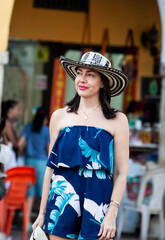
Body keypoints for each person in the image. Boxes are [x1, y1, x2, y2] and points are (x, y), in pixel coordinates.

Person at [32, 52, 130, 240]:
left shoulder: (118, 120)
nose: (82, 79)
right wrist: (42, 212)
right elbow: (50, 169)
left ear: (103, 82)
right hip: (61, 200)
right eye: (79, 73)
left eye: (90, 74)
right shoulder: (59, 116)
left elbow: (121, 173)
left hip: (98, 201)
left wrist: (112, 213)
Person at [18, 106, 50, 230]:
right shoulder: (46, 130)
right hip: (42, 163)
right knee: (44, 193)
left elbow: (20, 143)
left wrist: (22, 152)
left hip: (28, 162)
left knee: (29, 194)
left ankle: (26, 223)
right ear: (45, 119)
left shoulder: (28, 127)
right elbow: (48, 149)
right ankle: (42, 223)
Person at [0, 99, 21, 170]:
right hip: (7, 154)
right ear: (10, 110)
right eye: (18, 110)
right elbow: (15, 143)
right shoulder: (7, 123)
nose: (19, 113)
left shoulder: (8, 122)